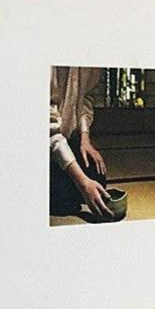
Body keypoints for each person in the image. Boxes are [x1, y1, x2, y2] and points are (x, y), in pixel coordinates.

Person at [49, 66, 113, 218]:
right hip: (41, 141)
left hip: (68, 136)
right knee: (64, 202)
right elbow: (50, 131)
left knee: (97, 176)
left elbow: (85, 97)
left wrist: (85, 139)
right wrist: (82, 182)